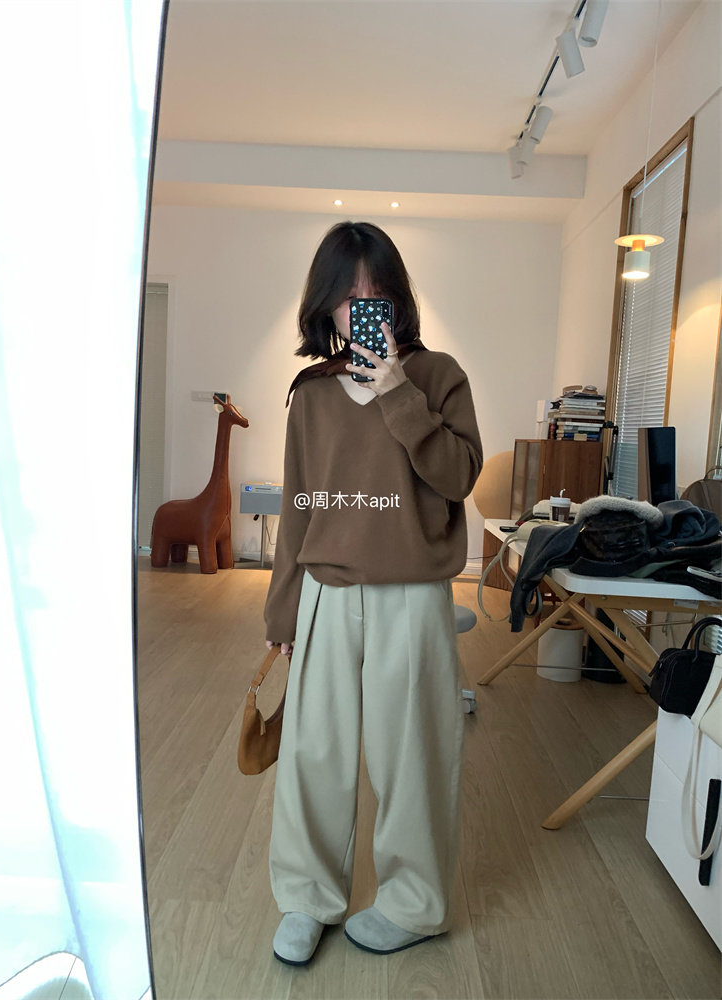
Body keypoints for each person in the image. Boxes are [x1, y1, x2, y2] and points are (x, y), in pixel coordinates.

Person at [263, 220, 483, 966]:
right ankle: (307, 898)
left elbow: (459, 477)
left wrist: (397, 394)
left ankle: (414, 903)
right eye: (348, 293)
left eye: (376, 291)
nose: (363, 305)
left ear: (397, 297)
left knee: (413, 757)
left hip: (412, 596)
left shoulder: (439, 377)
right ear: (324, 304)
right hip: (326, 593)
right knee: (313, 754)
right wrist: (282, 610)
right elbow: (298, 507)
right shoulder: (312, 394)